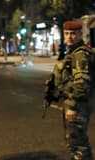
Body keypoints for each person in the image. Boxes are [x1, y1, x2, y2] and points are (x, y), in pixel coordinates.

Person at [50, 20, 94, 160]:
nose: (70, 37)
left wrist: (73, 107)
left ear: (80, 34)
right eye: (67, 33)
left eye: (74, 34)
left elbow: (81, 83)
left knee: (78, 144)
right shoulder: (72, 52)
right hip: (74, 103)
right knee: (75, 142)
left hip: (78, 105)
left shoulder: (79, 55)